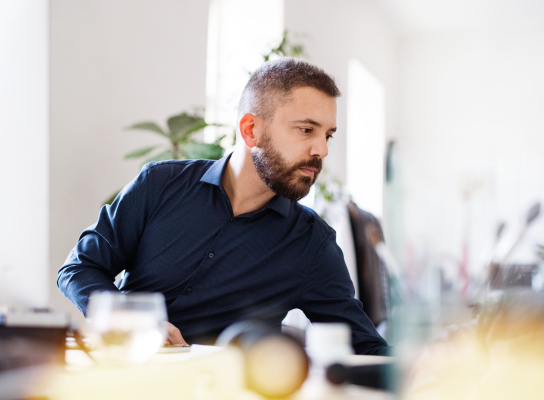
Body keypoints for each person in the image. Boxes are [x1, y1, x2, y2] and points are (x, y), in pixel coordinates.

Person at [57, 58, 389, 355]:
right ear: (250, 130)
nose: (321, 150)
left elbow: (366, 347)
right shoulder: (160, 184)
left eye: (328, 135)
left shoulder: (312, 244)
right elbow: (79, 267)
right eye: (306, 130)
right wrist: (127, 319)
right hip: (120, 376)